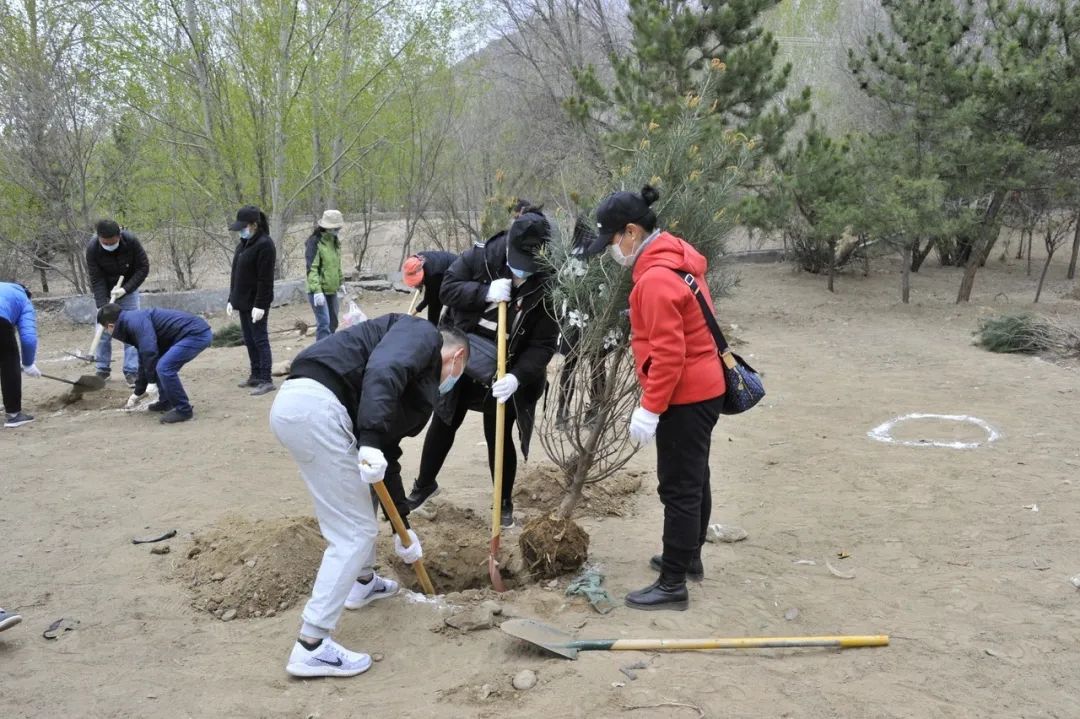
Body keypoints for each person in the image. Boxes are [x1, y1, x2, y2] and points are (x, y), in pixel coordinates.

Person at [270, 312, 469, 678]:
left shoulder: (407, 385)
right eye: (459, 373)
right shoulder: (422, 333)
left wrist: (402, 527)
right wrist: (372, 439)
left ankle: (363, 583)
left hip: (303, 408)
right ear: (456, 358)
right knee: (354, 532)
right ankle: (311, 646)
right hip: (319, 406)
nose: (452, 382)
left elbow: (385, 459)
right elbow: (385, 367)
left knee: (361, 497)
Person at [583, 185, 726, 611]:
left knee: (678, 488)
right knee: (694, 478)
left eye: (612, 240)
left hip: (686, 395)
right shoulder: (673, 257)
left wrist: (650, 408)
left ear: (631, 231)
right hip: (703, 389)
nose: (611, 250)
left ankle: (672, 583)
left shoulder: (657, 279)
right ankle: (688, 557)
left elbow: (668, 354)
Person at [406, 211, 559, 528]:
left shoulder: (548, 282)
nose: (521, 272)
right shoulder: (482, 257)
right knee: (445, 419)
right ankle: (424, 486)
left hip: (508, 366)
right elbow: (448, 288)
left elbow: (543, 344)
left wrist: (517, 377)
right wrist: (484, 293)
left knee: (498, 430)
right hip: (463, 352)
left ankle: (502, 504)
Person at [98, 303, 213, 424]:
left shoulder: (134, 322)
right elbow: (144, 358)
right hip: (186, 334)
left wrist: (152, 382)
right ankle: (166, 402)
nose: (106, 331)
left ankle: (184, 410)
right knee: (157, 362)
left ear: (110, 326)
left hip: (195, 334)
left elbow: (149, 351)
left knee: (164, 368)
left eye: (105, 329)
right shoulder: (130, 321)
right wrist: (138, 392)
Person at [86, 219, 149, 386]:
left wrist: (125, 289)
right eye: (105, 243)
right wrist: (102, 304)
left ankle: (131, 371)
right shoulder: (93, 248)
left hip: (127, 288)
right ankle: (102, 369)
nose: (109, 245)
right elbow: (96, 278)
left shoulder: (131, 241)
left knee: (132, 329)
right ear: (99, 238)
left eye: (112, 242)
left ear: (119, 236)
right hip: (105, 291)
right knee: (103, 330)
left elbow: (143, 268)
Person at [227, 205, 276, 395]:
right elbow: (235, 275)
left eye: (244, 227)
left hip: (256, 302)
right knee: (249, 339)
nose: (241, 231)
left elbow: (265, 279)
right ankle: (255, 374)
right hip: (243, 301)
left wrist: (261, 305)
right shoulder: (243, 245)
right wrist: (231, 299)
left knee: (260, 339)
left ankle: (266, 378)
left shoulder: (265, 245)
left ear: (254, 225)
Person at [0, 281, 40, 428]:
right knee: (9, 362)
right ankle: (14, 415)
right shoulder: (24, 299)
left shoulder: (4, 288)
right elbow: (28, 338)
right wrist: (28, 363)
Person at [305, 210, 345, 341]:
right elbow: (312, 269)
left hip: (331, 289)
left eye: (338, 227)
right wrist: (317, 291)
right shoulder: (315, 242)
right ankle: (322, 351)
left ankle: (329, 347)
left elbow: (336, 265)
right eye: (335, 228)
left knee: (333, 322)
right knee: (324, 323)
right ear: (327, 227)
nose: (337, 230)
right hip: (317, 290)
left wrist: (341, 282)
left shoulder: (335, 241)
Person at [400, 250, 458, 325]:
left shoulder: (432, 274)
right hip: (442, 271)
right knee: (434, 301)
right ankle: (433, 325)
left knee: (438, 301)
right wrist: (419, 285)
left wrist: (413, 313)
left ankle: (444, 326)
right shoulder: (418, 260)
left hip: (458, 276)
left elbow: (428, 299)